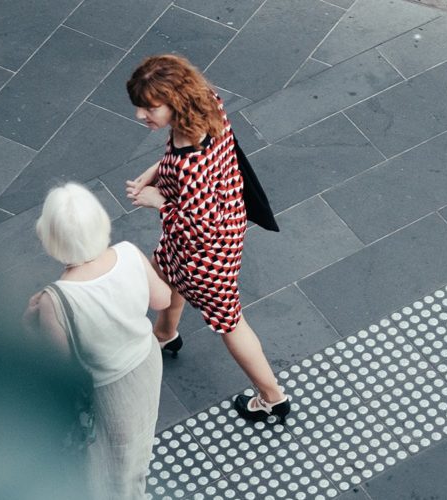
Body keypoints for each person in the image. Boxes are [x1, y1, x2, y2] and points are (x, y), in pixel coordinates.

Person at [124, 54, 290, 423]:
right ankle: (165, 334)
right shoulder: (207, 106)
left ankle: (272, 397)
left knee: (229, 321)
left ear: (175, 102)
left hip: (205, 252)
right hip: (226, 218)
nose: (140, 116)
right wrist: (155, 172)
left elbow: (198, 225)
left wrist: (159, 201)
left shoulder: (189, 165)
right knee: (165, 272)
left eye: (149, 108)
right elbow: (180, 159)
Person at [23, 182, 172, 499]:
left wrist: (30, 325)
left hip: (109, 389)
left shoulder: (56, 299)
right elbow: (162, 299)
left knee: (111, 460)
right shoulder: (129, 253)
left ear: (48, 238)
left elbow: (61, 366)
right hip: (146, 365)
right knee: (138, 440)